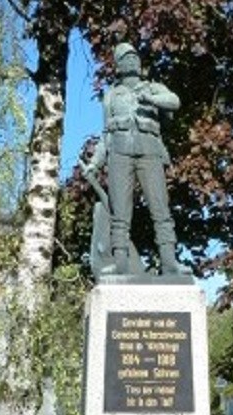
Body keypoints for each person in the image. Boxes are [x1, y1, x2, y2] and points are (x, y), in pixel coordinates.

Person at [85, 43, 190, 276]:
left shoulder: (153, 88)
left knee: (160, 208)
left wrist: (151, 99)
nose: (132, 61)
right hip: (119, 153)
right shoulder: (111, 96)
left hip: (150, 151)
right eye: (125, 58)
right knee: (119, 213)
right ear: (118, 66)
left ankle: (169, 261)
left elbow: (174, 101)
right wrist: (95, 163)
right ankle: (120, 261)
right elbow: (106, 134)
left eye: (135, 57)